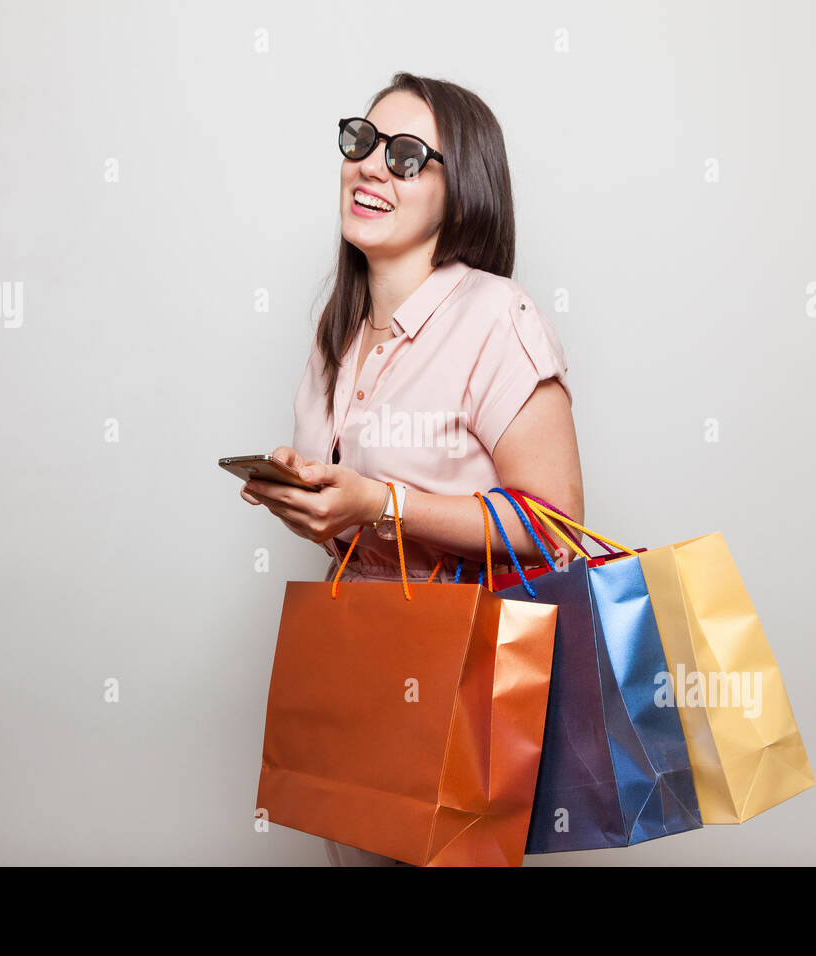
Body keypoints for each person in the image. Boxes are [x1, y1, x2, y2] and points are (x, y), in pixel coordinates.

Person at [241, 72, 585, 866]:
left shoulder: (499, 316)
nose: (369, 166)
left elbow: (555, 525)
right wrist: (306, 490)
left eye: (404, 156)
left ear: (460, 192)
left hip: (460, 684)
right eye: (361, 143)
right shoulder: (338, 337)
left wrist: (378, 503)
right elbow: (355, 511)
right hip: (359, 676)